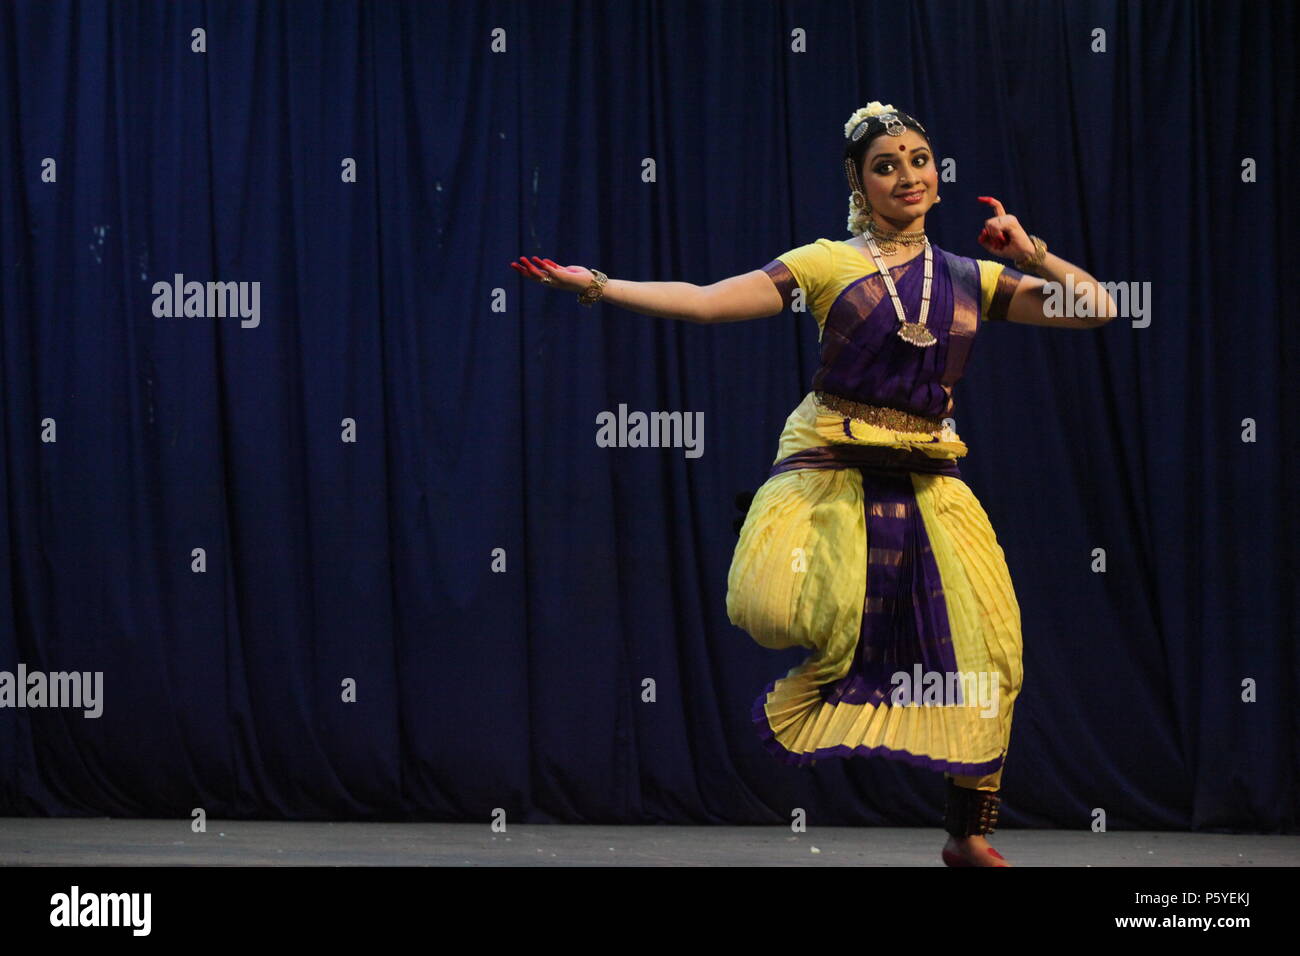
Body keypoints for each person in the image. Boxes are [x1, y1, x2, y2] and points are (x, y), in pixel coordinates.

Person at [510, 100, 1116, 866]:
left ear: (937, 173)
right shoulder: (828, 263)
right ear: (861, 185)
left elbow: (1098, 308)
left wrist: (1033, 254)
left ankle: (968, 835)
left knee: (993, 651)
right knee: (768, 602)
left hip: (929, 473)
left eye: (919, 160)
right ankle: (804, 588)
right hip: (831, 461)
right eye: (887, 165)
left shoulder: (972, 277)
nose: (908, 175)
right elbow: (705, 302)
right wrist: (598, 285)